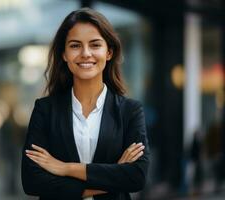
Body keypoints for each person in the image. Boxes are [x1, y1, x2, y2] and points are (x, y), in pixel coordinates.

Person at [21, 8, 150, 200]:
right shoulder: (45, 109)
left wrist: (65, 168)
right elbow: (32, 180)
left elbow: (136, 177)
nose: (85, 53)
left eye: (95, 45)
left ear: (109, 52)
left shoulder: (129, 111)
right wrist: (112, 176)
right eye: (75, 46)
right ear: (64, 54)